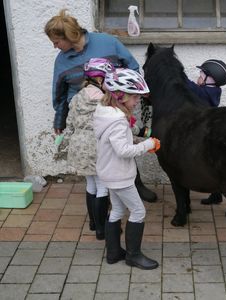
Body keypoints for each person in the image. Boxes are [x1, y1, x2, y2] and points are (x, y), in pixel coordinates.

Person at [45, 9, 157, 202]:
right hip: (86, 115)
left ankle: (134, 185)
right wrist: (59, 119)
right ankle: (106, 203)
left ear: (69, 36)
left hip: (115, 106)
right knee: (98, 160)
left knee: (123, 143)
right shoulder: (62, 60)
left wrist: (124, 95)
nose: (55, 47)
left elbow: (132, 67)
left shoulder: (107, 42)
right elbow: (60, 93)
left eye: (56, 42)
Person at [93, 68, 160, 269]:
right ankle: (133, 255)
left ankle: (113, 253)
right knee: (138, 211)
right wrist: (148, 145)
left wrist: (140, 139)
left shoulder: (104, 113)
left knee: (117, 210)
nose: (137, 101)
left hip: (108, 172)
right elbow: (123, 150)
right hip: (119, 175)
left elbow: (117, 142)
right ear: (120, 96)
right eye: (135, 98)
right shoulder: (118, 121)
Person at [65, 58, 114, 240]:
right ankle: (102, 229)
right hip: (95, 144)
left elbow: (69, 123)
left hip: (78, 144)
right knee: (103, 186)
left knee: (91, 184)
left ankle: (93, 223)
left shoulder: (77, 97)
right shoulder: (104, 100)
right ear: (100, 79)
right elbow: (111, 122)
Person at [186, 59, 226, 207]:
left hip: (204, 133)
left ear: (209, 79)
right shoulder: (214, 90)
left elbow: (190, 86)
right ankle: (216, 195)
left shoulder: (205, 92)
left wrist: (179, 75)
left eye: (200, 75)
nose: (197, 78)